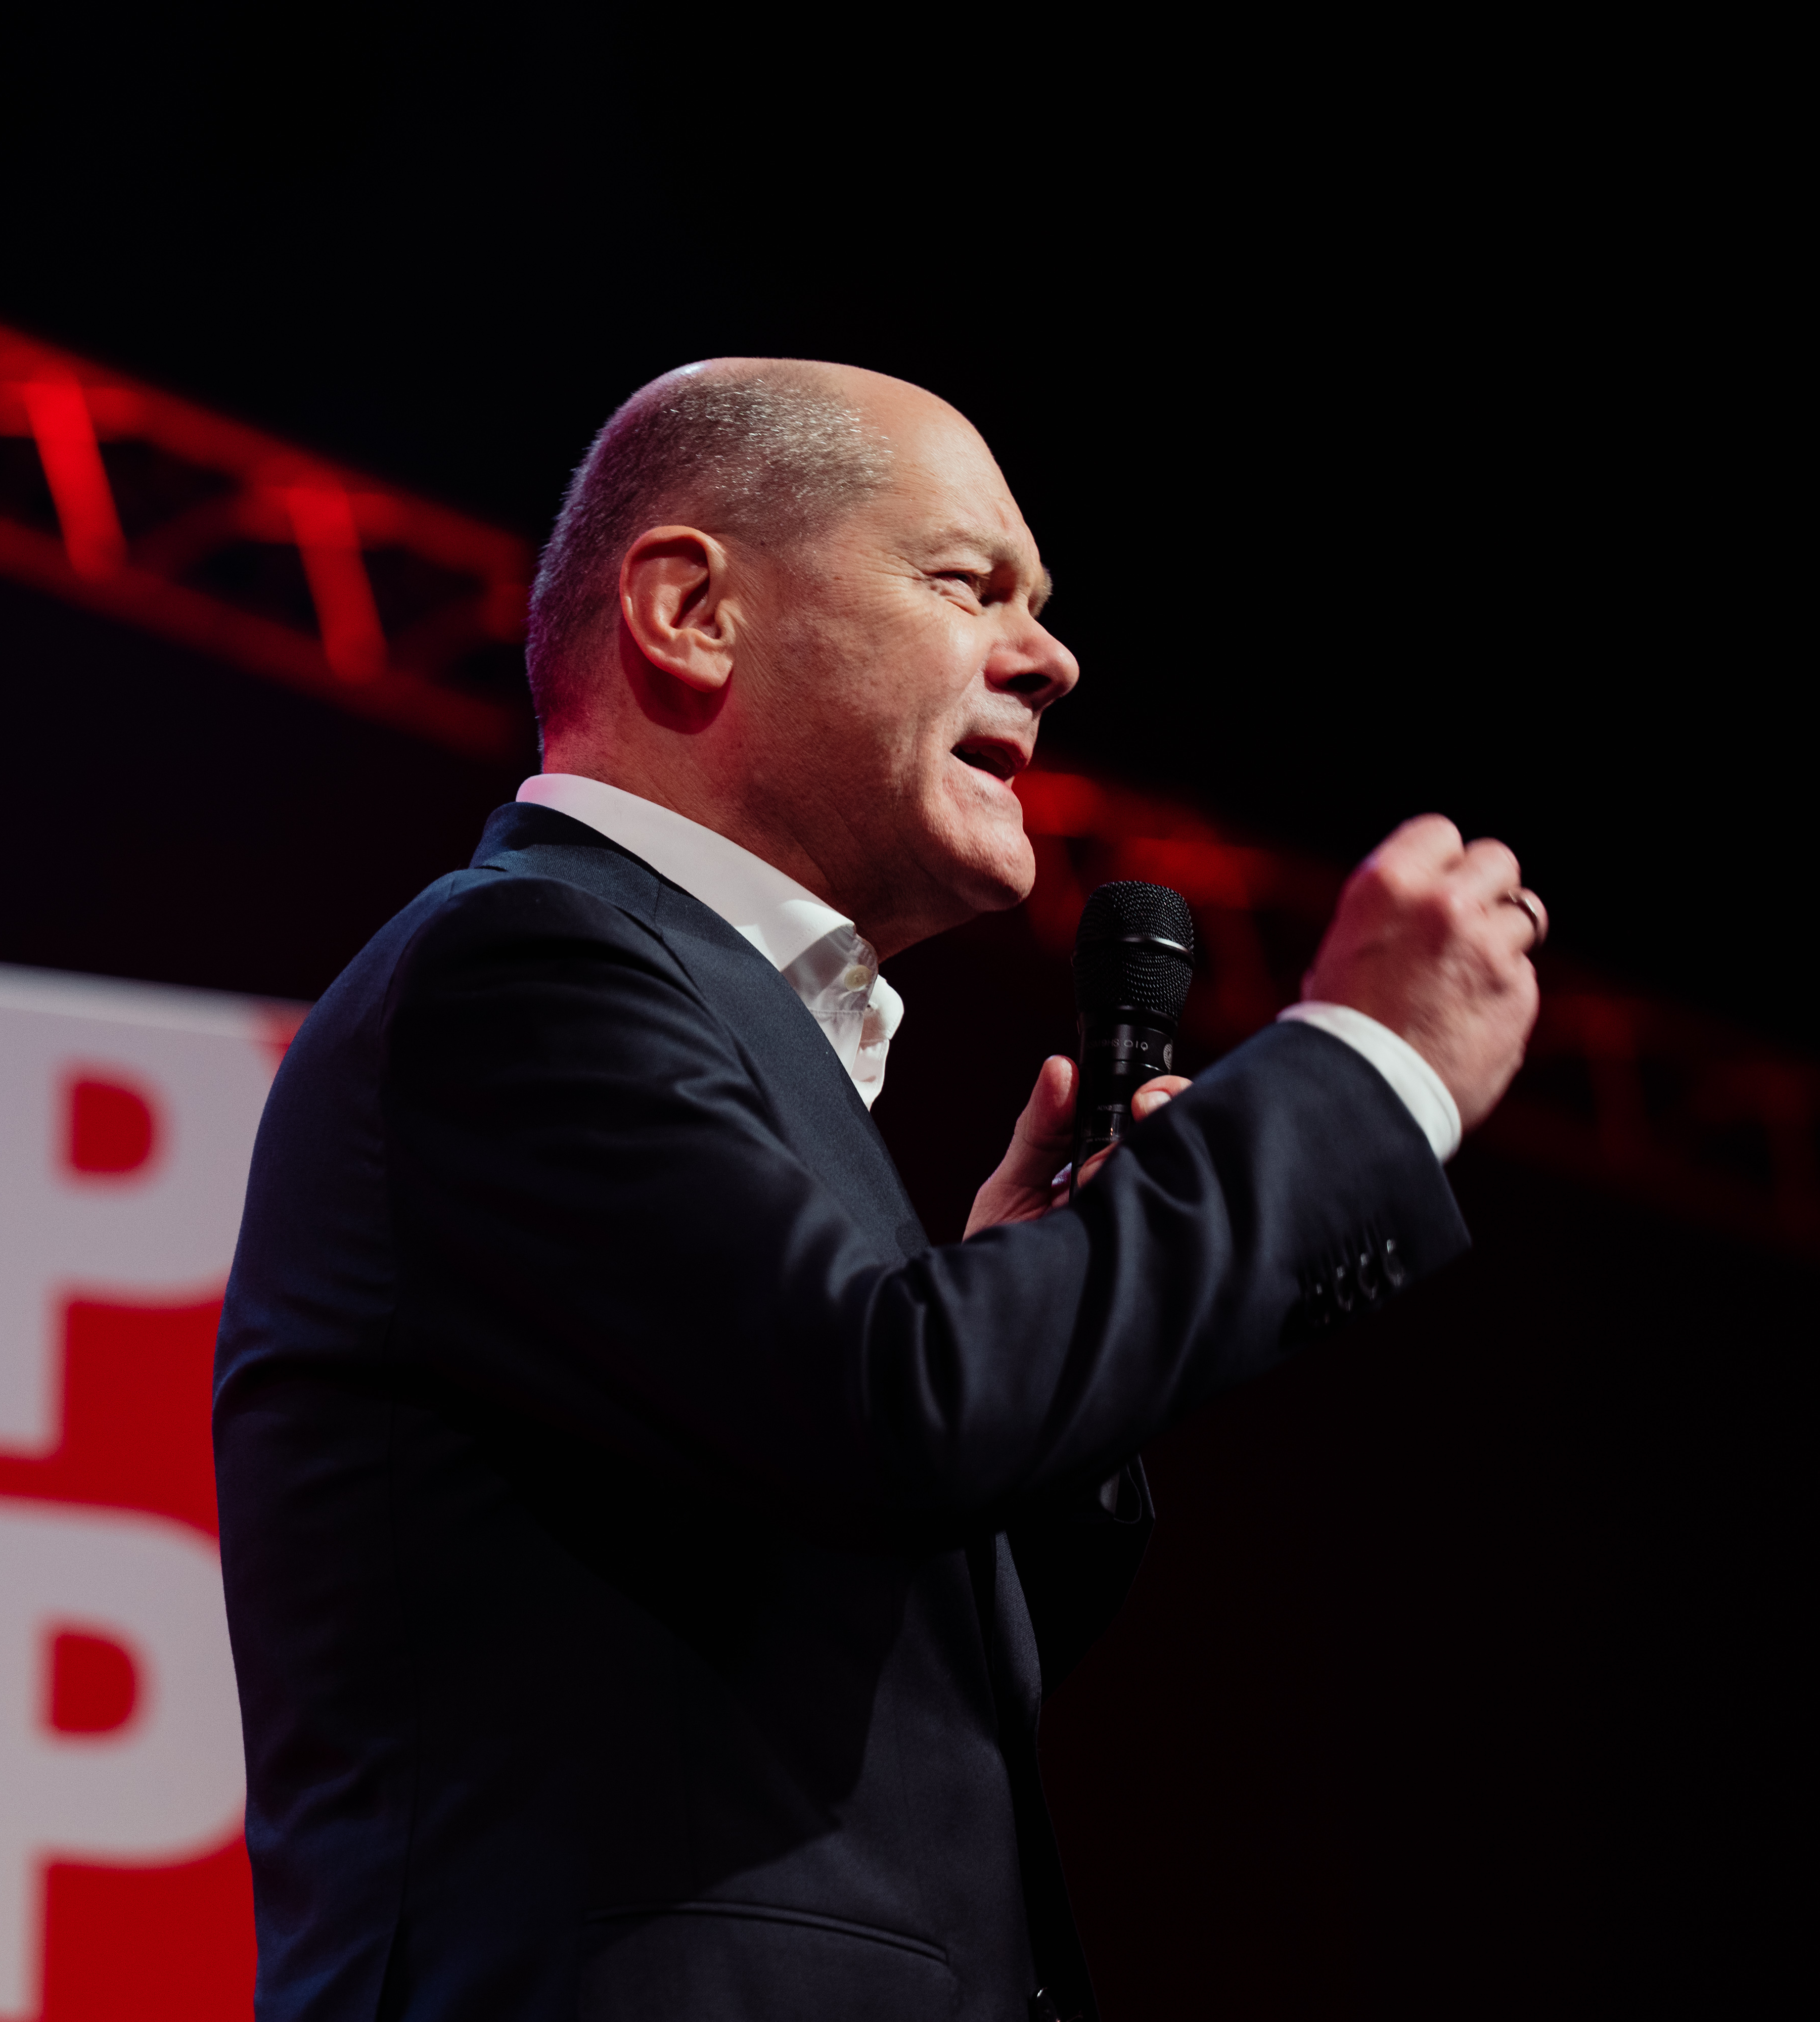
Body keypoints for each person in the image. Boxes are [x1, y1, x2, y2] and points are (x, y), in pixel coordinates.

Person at [213, 359, 1543, 2022]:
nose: (1050, 658)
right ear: (692, 610)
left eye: (1038, 606)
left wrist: (1025, 1333)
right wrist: (1366, 1071)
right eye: (967, 583)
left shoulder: (698, 1023)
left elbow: (853, 1648)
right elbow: (892, 1409)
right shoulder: (521, 969)